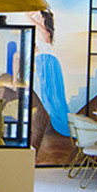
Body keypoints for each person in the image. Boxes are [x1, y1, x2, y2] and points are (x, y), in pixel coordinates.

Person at [28, 10, 70, 154]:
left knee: (51, 93)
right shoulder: (44, 33)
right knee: (48, 93)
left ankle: (56, 119)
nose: (37, 19)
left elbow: (30, 19)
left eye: (40, 17)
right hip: (45, 61)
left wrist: (31, 12)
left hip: (48, 62)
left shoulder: (44, 31)